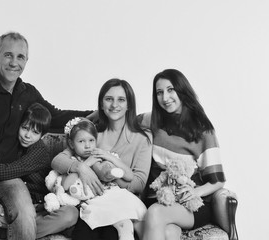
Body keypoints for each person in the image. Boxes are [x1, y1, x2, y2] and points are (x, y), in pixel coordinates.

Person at [0, 31, 94, 240]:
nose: (14, 62)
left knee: (26, 218)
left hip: (7, 179)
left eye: (20, 57)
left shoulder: (28, 93)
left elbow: (55, 117)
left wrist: (96, 114)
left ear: (26, 60)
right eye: (8, 55)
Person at [0, 103, 78, 239]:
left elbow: (9, 170)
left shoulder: (39, 152)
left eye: (35, 132)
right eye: (24, 128)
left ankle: (0, 233)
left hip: (41, 206)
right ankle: (12, 229)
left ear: (42, 135)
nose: (27, 135)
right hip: (14, 207)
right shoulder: (12, 144)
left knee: (70, 214)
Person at [51, 78, 153, 240]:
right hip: (92, 203)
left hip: (122, 207)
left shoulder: (143, 138)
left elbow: (138, 184)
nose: (114, 105)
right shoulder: (92, 135)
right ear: (101, 104)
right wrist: (82, 168)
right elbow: (58, 161)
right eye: (109, 99)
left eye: (121, 99)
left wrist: (105, 177)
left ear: (129, 105)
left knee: (111, 235)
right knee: (84, 234)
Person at [138, 69, 226, 240]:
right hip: (157, 198)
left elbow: (218, 180)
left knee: (155, 213)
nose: (165, 98)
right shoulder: (151, 120)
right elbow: (121, 116)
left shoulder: (202, 131)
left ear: (182, 90)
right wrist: (90, 117)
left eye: (171, 90)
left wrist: (196, 192)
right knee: (169, 233)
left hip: (189, 205)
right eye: (159, 92)